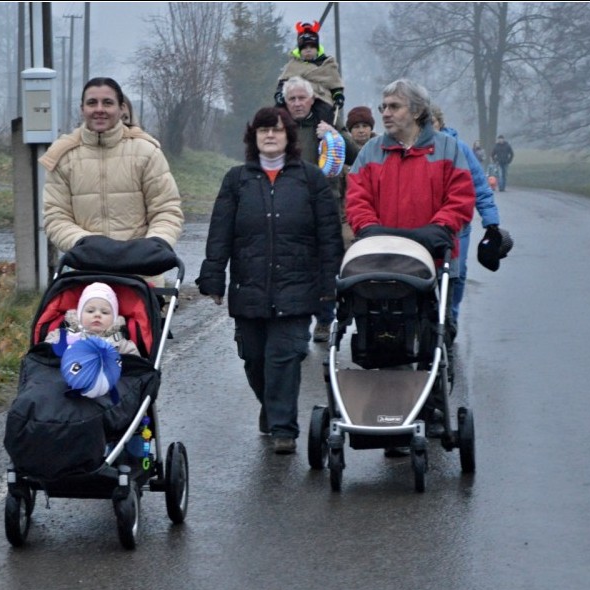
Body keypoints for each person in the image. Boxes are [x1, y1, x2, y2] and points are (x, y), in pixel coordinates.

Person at [196, 107, 342, 454]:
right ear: (254, 137)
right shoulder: (236, 180)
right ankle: (271, 406)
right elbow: (220, 232)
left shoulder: (310, 179)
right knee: (255, 359)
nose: (271, 136)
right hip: (250, 286)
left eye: (277, 130)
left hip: (297, 286)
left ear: (289, 136)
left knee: (284, 356)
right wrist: (213, 277)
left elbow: (329, 237)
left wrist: (329, 286)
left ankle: (283, 428)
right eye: (263, 130)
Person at [345, 80, 475, 456]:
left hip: (430, 261)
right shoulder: (371, 152)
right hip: (380, 259)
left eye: (394, 107)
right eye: (384, 106)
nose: (385, 113)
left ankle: (431, 407)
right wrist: (367, 228)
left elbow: (461, 196)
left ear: (417, 111)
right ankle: (389, 412)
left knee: (431, 336)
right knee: (385, 335)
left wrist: (441, 227)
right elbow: (357, 197)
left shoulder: (447, 150)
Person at [39, 77, 183, 285]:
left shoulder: (146, 152)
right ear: (82, 109)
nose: (99, 109)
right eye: (92, 103)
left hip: (141, 274)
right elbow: (55, 216)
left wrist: (154, 245)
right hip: (85, 273)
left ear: (121, 108)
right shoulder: (63, 157)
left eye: (107, 103)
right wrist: (85, 244)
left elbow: (167, 209)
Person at [281, 76, 358, 342]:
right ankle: (299, 321)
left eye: (302, 98)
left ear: (312, 99)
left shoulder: (331, 121)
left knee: (326, 265)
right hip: (291, 206)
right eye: (292, 99)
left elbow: (355, 155)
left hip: (326, 204)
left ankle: (325, 319)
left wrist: (334, 135)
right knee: (297, 266)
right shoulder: (279, 127)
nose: (298, 103)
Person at [430, 106, 502, 323]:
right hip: (426, 224)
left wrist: (491, 223)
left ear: (440, 123)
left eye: (432, 121)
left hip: (458, 225)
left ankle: (450, 318)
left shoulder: (459, 149)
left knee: (457, 273)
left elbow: (480, 185)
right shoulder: (417, 149)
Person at [274, 21, 345, 126]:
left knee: (325, 111)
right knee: (278, 111)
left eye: (311, 47)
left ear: (317, 48)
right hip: (297, 97)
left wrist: (338, 96)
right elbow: (283, 82)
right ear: (300, 50)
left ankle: (323, 136)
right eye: (305, 48)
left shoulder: (327, 64)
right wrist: (279, 94)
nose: (308, 50)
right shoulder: (293, 65)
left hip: (321, 97)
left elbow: (335, 85)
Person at [45, 281, 141, 357]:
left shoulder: (118, 341)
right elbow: (46, 348)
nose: (97, 315)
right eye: (90, 311)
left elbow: (134, 363)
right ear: (79, 315)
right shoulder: (68, 333)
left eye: (105, 312)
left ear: (114, 319)